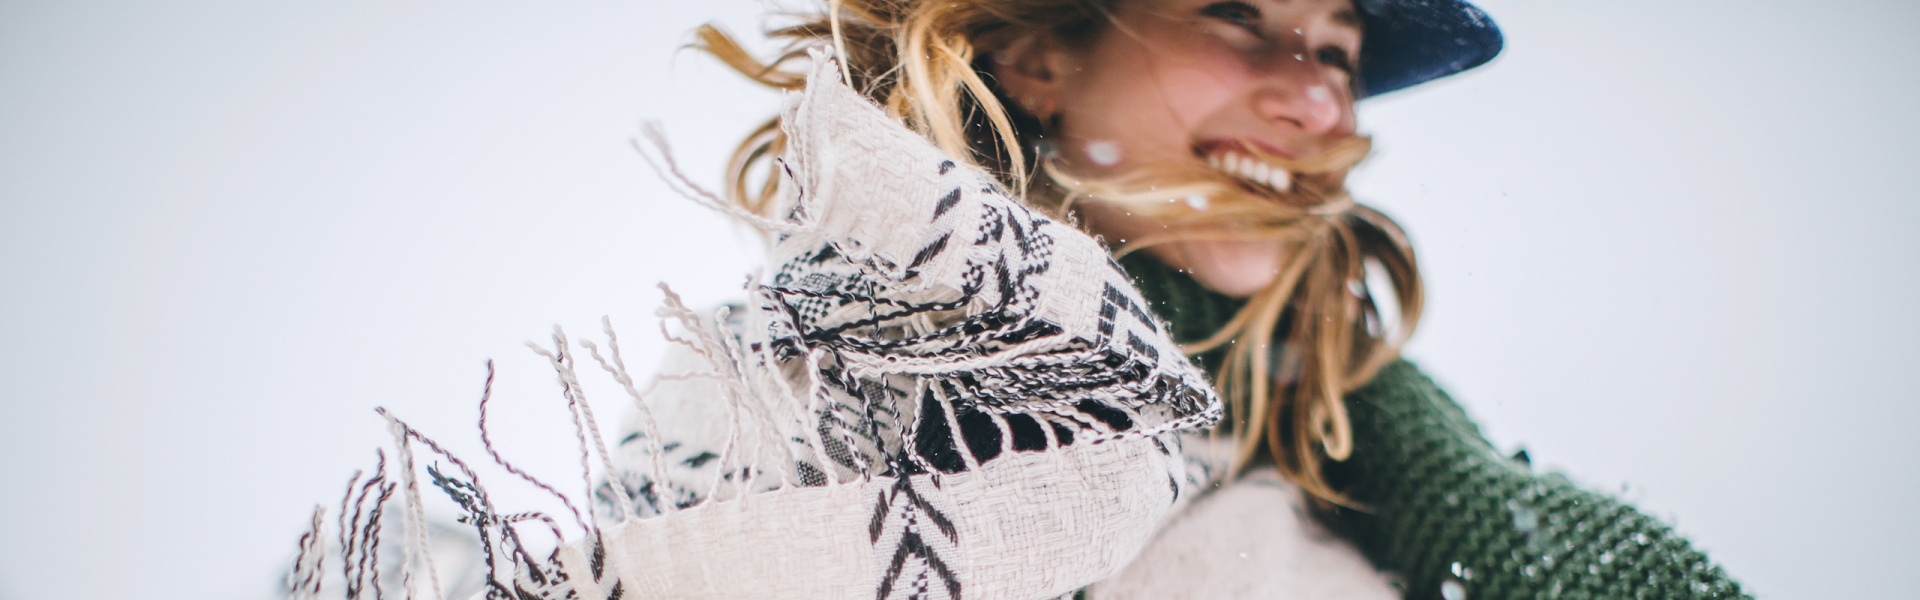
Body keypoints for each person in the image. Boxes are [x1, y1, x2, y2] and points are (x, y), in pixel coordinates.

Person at [677, 0, 1751, 597]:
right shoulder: (831, 356)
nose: (1318, 90)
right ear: (1041, 57)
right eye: (1240, 13)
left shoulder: (1331, 406)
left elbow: (1506, 528)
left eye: (1338, 48)